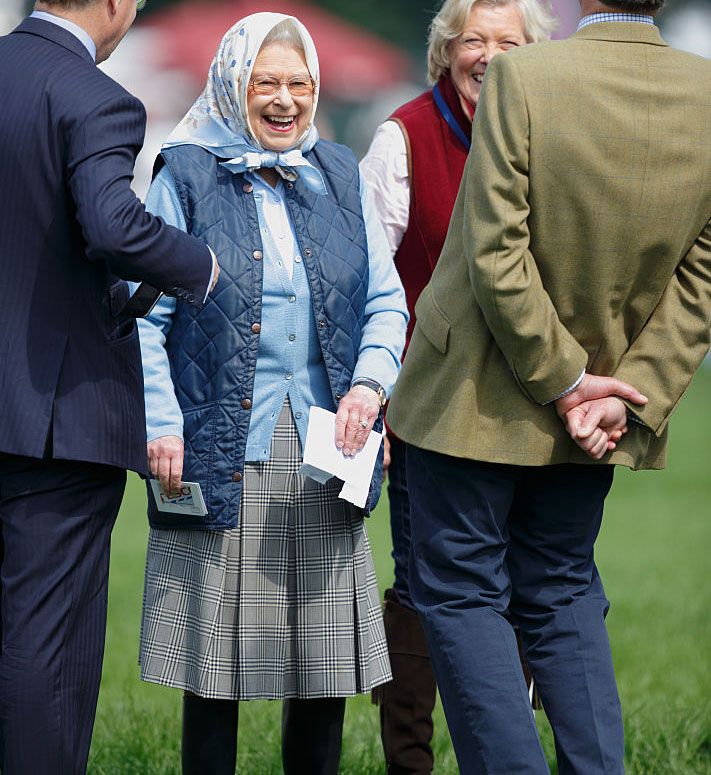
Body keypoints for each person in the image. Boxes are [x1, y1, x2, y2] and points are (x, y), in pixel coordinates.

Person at [387, 0, 711, 770]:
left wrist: (566, 380)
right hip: (601, 409)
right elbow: (702, 271)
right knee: (562, 590)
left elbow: (493, 250)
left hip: (472, 392)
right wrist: (623, 388)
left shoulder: (522, 75)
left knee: (463, 595)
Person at [0, 0, 218, 771]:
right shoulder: (95, 96)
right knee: (46, 627)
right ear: (114, 4)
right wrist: (203, 264)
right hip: (58, 412)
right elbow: (114, 225)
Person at [132, 12, 408, 775]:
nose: (285, 100)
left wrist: (368, 384)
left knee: (322, 671)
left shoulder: (340, 172)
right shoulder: (183, 175)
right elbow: (142, 317)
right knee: (213, 670)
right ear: (232, 83)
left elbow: (386, 301)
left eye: (299, 84)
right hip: (218, 448)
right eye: (267, 83)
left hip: (326, 454)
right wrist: (161, 424)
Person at [359, 0, 555, 770]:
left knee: (522, 588)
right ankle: (409, 760)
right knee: (421, 591)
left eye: (508, 41)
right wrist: (370, 398)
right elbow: (368, 284)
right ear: (444, 51)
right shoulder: (401, 137)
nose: (489, 54)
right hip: (425, 409)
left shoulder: (548, 132)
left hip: (527, 406)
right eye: (473, 39)